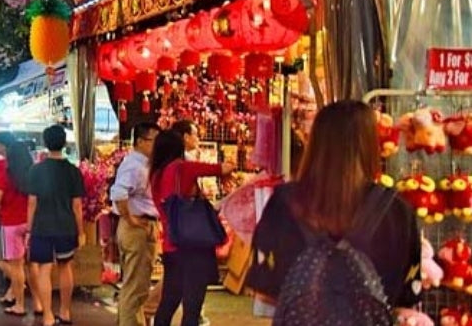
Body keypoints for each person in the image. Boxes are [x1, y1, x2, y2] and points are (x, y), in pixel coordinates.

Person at [246, 100, 421, 319]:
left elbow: (264, 291)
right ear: (370, 144)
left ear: (316, 143)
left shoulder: (284, 203)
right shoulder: (398, 211)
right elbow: (406, 299)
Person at [149, 129, 235, 326]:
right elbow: (222, 168)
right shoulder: (181, 168)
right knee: (192, 306)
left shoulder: (155, 175)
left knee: (168, 302)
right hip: (193, 246)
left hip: (172, 245)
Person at [27, 124, 85, 326]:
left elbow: (32, 202)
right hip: (66, 225)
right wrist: (81, 231)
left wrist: (28, 229)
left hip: (42, 225)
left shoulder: (36, 170)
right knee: (65, 266)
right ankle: (65, 311)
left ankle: (48, 315)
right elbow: (77, 205)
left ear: (45, 143)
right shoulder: (73, 171)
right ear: (64, 143)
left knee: (44, 269)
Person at [110, 122, 160, 326]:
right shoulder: (135, 164)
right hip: (137, 227)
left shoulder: (141, 164)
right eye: (154, 141)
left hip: (138, 225)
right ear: (140, 141)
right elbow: (119, 192)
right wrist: (130, 218)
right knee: (136, 287)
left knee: (136, 285)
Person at [0, 131, 38, 317]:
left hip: (11, 222)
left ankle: (20, 304)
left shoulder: (7, 173)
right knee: (31, 265)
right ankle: (39, 304)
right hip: (29, 222)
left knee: (16, 266)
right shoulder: (33, 173)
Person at [168, 119, 210, 326]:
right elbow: (218, 169)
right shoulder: (181, 166)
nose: (198, 138)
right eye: (195, 134)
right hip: (187, 235)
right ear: (184, 137)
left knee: (174, 291)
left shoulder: (170, 165)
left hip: (180, 233)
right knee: (179, 290)